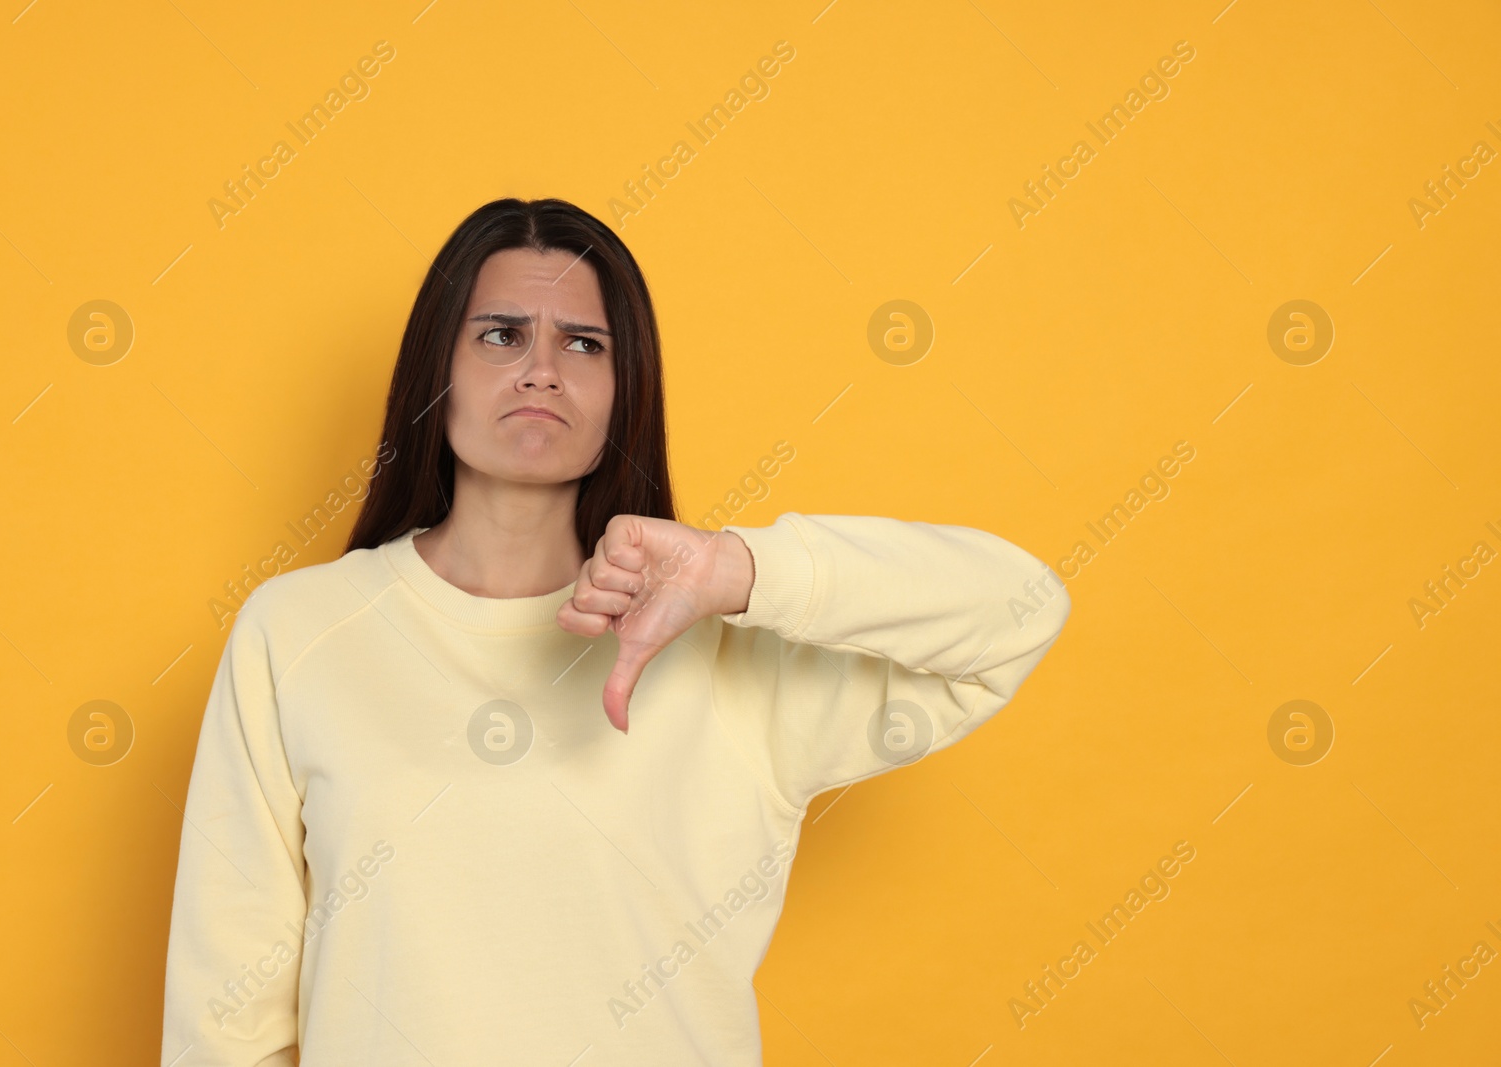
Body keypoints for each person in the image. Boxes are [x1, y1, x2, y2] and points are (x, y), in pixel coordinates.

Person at [160, 197, 1071, 1066]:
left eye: (583, 342)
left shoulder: (728, 655)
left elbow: (1021, 607)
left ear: (622, 389)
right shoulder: (299, 632)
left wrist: (739, 570)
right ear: (436, 371)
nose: (541, 368)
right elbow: (224, 1014)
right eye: (502, 334)